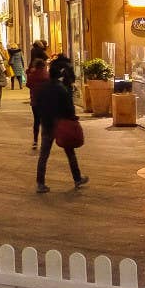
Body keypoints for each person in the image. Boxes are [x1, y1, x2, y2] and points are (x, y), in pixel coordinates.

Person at [36, 56, 89, 193]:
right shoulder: (62, 89)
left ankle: (40, 183)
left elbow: (37, 105)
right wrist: (72, 118)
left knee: (44, 154)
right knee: (70, 152)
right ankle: (77, 178)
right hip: (61, 124)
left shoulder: (43, 88)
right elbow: (69, 108)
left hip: (47, 124)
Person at [25, 56, 50, 148]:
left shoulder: (33, 75)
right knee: (45, 121)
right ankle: (45, 140)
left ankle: (35, 140)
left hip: (35, 100)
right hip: (46, 101)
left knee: (36, 121)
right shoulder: (47, 74)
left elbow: (28, 85)